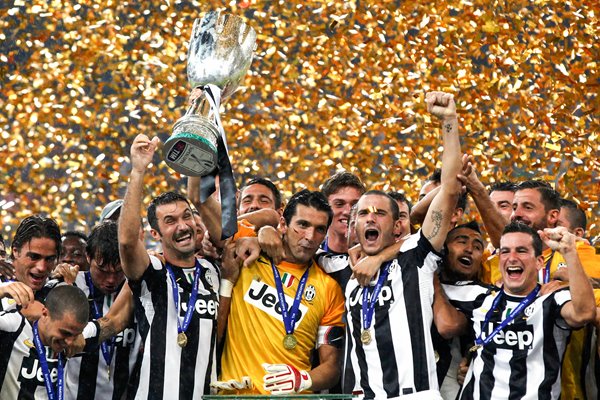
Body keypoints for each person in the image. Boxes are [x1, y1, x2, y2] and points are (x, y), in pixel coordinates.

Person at [343, 91, 466, 399]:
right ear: (353, 225)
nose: (371, 219)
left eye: (380, 213)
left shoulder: (416, 257)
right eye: (363, 214)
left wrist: (449, 120)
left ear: (396, 224)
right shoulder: (343, 269)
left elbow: (450, 189)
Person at [118, 134, 223, 399]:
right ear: (155, 234)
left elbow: (230, 231)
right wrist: (138, 171)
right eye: (170, 221)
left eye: (186, 216)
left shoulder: (213, 271)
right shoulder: (152, 273)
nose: (183, 226)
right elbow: (128, 242)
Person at [215, 189, 345, 395]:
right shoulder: (248, 252)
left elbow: (332, 367)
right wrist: (265, 227)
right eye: (302, 225)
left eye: (320, 229)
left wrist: (303, 379)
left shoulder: (329, 289)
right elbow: (211, 227)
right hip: (239, 395)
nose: (310, 237)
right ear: (284, 224)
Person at [458, 223, 596, 399]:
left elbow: (585, 313)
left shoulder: (552, 300)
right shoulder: (479, 298)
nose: (512, 257)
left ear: (539, 262)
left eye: (521, 250)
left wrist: (569, 252)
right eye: (505, 251)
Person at [64, 220, 138, 400]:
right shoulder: (71, 284)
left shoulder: (137, 291)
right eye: (103, 270)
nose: (111, 280)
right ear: (88, 257)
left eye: (118, 271)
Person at [0, 285, 89, 399]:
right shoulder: (14, 326)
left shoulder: (74, 337)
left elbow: (114, 321)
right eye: (65, 333)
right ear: (45, 314)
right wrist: (1, 292)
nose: (70, 342)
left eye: (76, 334)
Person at [0, 215, 63, 312]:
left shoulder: (56, 287)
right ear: (16, 251)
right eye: (34, 257)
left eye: (49, 259)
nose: (42, 267)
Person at [320, 171, 366, 254]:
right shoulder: (310, 256)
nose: (348, 211)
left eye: (355, 205)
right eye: (339, 204)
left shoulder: (381, 258)